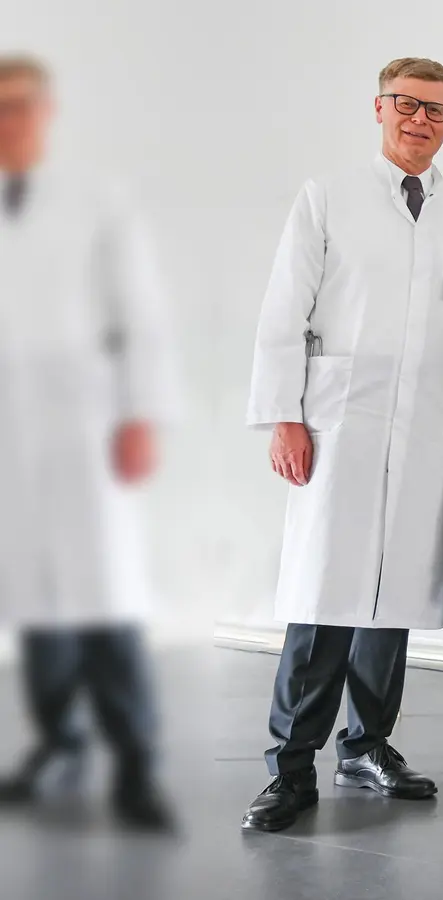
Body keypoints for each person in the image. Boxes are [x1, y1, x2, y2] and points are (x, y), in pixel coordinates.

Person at [241, 57, 443, 832]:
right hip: (340, 424)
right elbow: (285, 308)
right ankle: (291, 768)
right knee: (323, 596)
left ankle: (367, 745)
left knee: (392, 600)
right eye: (408, 105)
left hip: (431, 425)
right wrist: (284, 415)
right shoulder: (329, 197)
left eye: (438, 110)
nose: (422, 120)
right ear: (380, 107)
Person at [0, 54, 179, 831]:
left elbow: (141, 315)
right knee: (32, 599)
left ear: (47, 112)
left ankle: (135, 762)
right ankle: (56, 742)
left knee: (104, 597)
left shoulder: (96, 202)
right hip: (9, 428)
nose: (10, 119)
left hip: (82, 422)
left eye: (21, 105)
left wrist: (142, 414)